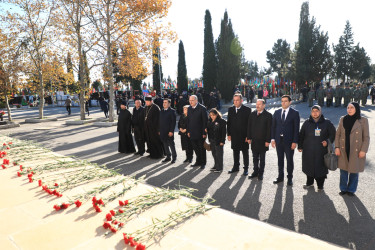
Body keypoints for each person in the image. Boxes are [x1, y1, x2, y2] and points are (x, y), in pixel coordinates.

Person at [335, 102, 370, 196]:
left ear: (356, 109)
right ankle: (343, 188)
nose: (349, 109)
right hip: (343, 148)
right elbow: (337, 134)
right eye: (348, 107)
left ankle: (351, 190)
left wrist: (363, 150)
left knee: (354, 171)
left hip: (356, 149)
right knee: (343, 171)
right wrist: (337, 147)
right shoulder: (343, 119)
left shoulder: (363, 120)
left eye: (352, 108)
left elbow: (366, 137)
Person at [298, 105, 336, 190]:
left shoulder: (327, 123)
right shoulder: (306, 123)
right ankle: (309, 183)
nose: (315, 113)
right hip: (308, 150)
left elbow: (333, 134)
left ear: (320, 112)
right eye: (313, 111)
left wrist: (327, 142)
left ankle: (320, 185)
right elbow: (301, 135)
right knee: (309, 167)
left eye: (317, 111)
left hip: (321, 151)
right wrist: (300, 146)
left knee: (321, 168)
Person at [271, 95, 300, 186]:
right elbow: (273, 127)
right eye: (282, 101)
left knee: (289, 160)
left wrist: (294, 141)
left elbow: (296, 129)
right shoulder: (276, 112)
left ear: (290, 102)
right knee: (280, 160)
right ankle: (280, 177)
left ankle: (290, 178)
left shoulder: (294, 113)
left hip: (289, 141)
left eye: (285, 101)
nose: (283, 103)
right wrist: (272, 139)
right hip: (279, 140)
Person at [247, 99, 272, 180]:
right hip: (254, 140)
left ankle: (261, 173)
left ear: (264, 105)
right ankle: (255, 172)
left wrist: (268, 141)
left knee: (262, 159)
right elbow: (249, 127)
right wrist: (249, 137)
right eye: (256, 104)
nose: (257, 106)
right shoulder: (252, 114)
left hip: (263, 141)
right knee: (254, 158)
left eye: (259, 104)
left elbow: (269, 129)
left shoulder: (268, 115)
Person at [227, 93, 251, 176]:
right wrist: (229, 134)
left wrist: (248, 136)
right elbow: (228, 122)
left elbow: (249, 124)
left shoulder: (247, 110)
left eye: (237, 100)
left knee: (245, 152)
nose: (235, 102)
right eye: (234, 100)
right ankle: (236, 167)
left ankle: (246, 168)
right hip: (234, 135)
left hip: (244, 136)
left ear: (241, 100)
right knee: (235, 151)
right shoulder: (230, 109)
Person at [187, 95, 208, 169]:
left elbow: (205, 121)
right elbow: (188, 120)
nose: (190, 102)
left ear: (196, 100)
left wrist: (204, 133)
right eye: (190, 100)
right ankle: (198, 161)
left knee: (201, 148)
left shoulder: (202, 108)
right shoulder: (189, 108)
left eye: (192, 100)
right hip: (192, 132)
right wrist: (188, 131)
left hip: (200, 133)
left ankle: (203, 163)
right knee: (195, 148)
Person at [207, 108, 226, 173]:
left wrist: (222, 141)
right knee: (214, 153)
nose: (212, 116)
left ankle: (220, 167)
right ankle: (216, 165)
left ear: (217, 114)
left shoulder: (222, 121)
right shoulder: (209, 121)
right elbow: (208, 129)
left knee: (219, 154)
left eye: (213, 115)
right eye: (211, 115)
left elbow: (223, 132)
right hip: (212, 140)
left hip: (218, 140)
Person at [159, 98, 177, 163]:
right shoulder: (161, 111)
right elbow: (159, 121)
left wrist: (171, 131)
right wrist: (159, 130)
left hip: (169, 131)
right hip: (162, 131)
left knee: (171, 144)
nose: (164, 103)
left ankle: (174, 157)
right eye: (163, 102)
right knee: (165, 144)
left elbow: (173, 122)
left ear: (169, 104)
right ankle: (168, 156)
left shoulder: (172, 111)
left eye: (166, 102)